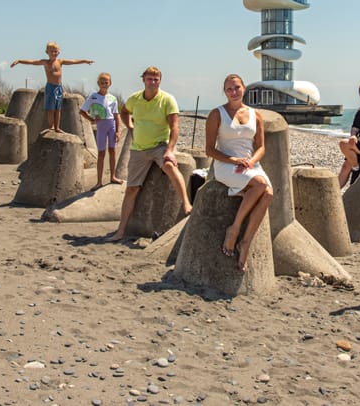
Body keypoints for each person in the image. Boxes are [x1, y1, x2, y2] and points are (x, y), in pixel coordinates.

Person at [105, 66, 193, 242]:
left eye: (156, 79)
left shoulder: (167, 99)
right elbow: (124, 111)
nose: (152, 82)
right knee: (131, 189)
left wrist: (169, 150)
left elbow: (175, 126)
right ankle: (121, 231)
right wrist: (129, 126)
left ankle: (186, 203)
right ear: (143, 80)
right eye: (149, 79)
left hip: (159, 145)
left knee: (170, 165)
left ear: (160, 81)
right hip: (138, 149)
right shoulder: (135, 98)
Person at [205, 74, 273, 272]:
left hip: (250, 165)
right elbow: (209, 150)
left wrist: (251, 161)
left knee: (268, 193)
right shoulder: (216, 114)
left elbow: (261, 147)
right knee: (261, 185)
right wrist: (233, 160)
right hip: (227, 164)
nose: (233, 92)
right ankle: (234, 230)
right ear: (224, 92)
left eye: (237, 87)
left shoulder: (255, 114)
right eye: (229, 89)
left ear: (244, 88)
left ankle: (245, 242)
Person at [10, 41, 94, 132]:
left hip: (59, 88)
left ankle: (57, 127)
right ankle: (52, 126)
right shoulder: (45, 62)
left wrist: (85, 61)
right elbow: (32, 62)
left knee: (58, 109)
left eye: (55, 51)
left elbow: (73, 61)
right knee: (50, 109)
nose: (54, 53)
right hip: (50, 87)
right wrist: (19, 61)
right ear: (47, 52)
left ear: (58, 52)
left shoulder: (60, 62)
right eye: (52, 51)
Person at [80, 72, 124, 190]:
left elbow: (116, 115)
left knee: (112, 151)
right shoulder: (93, 96)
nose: (104, 84)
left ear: (110, 83)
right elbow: (82, 111)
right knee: (101, 153)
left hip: (112, 125)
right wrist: (91, 119)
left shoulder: (113, 98)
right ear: (98, 83)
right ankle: (99, 181)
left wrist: (118, 131)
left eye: (106, 82)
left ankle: (113, 176)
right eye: (102, 82)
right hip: (101, 126)